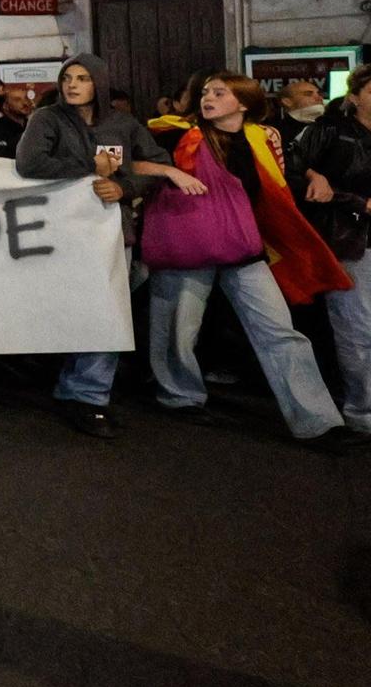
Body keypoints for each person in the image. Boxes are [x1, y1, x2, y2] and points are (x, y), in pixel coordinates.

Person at [135, 72, 356, 447]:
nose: (208, 98)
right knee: (176, 330)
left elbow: (291, 173)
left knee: (280, 332)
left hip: (243, 247)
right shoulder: (172, 133)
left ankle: (318, 421)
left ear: (243, 103)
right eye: (206, 92)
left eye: (220, 93)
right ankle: (180, 396)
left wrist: (315, 174)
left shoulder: (263, 137)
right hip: (189, 245)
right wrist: (169, 170)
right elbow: (132, 163)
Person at [14, 55, 171, 437]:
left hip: (114, 232)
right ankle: (69, 380)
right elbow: (29, 163)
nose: (72, 85)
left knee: (110, 311)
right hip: (60, 233)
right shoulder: (47, 119)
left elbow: (155, 165)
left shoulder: (123, 124)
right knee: (73, 309)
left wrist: (124, 187)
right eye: (67, 77)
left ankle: (89, 395)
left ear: (98, 84)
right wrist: (91, 172)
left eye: (82, 78)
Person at [287, 64, 371, 434]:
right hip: (350, 239)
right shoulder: (330, 130)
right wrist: (320, 179)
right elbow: (290, 164)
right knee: (357, 328)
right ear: (355, 97)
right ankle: (361, 412)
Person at [275, 78, 326, 148]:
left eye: (318, 93)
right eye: (308, 94)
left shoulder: (333, 128)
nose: (319, 98)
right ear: (287, 102)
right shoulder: (276, 134)